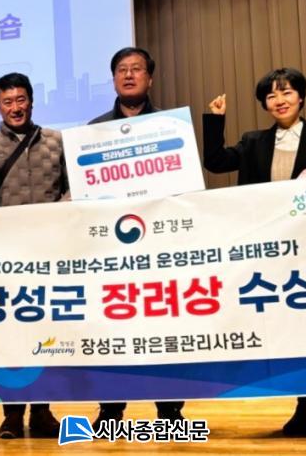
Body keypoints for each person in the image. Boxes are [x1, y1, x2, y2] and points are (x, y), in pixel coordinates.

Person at [203, 67, 306, 439]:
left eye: (286, 92)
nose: (279, 100)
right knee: (281, 331)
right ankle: (300, 409)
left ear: (301, 97)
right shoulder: (253, 141)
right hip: (265, 252)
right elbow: (215, 161)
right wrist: (215, 120)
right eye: (271, 96)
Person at [0, 72, 68, 439]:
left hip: (50, 253)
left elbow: (72, 188)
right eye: (7, 102)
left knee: (46, 335)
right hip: (5, 256)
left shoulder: (56, 140)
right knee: (9, 337)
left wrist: (62, 210)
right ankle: (11, 414)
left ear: (31, 101)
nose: (15, 107)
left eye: (20, 100)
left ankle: (42, 412)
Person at [89, 47, 185, 429]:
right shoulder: (93, 131)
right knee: (111, 328)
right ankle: (110, 409)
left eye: (137, 69)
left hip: (160, 246)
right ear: (114, 79)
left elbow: (185, 189)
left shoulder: (170, 128)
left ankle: (170, 409)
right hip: (111, 249)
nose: (129, 75)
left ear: (150, 78)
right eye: (122, 70)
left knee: (164, 327)